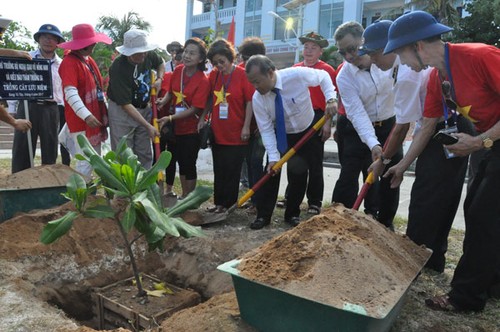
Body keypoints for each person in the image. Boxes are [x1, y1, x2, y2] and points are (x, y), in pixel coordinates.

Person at [383, 10, 500, 312]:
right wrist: (404, 164)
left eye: (400, 53)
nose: (402, 62)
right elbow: (428, 122)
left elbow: (483, 137)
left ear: (418, 46)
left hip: (491, 141)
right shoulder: (438, 77)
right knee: (477, 210)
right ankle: (490, 284)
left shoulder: (478, 56)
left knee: (485, 216)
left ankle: (466, 298)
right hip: (493, 143)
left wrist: (480, 141)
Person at [362, 20, 471, 273]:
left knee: (426, 198)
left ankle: (414, 263)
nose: (373, 60)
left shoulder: (409, 75)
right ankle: (433, 261)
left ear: (392, 49)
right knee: (442, 197)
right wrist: (398, 163)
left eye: (375, 53)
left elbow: (401, 128)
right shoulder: (403, 70)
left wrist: (383, 161)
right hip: (442, 127)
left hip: (444, 130)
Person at [245, 55, 337, 230]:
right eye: (252, 83)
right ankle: (263, 215)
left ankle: (292, 214)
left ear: (270, 72)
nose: (256, 87)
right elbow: (265, 129)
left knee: (299, 174)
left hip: (305, 130)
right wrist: (273, 157)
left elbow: (323, 77)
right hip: (280, 134)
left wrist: (330, 99)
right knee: (271, 173)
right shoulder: (258, 98)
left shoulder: (295, 75)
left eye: (258, 81)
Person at [331, 21, 402, 229]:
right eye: (343, 52)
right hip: (356, 129)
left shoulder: (390, 60)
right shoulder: (344, 75)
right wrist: (373, 144)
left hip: (390, 125)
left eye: (352, 49)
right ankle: (337, 222)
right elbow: (356, 113)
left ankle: (385, 224)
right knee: (348, 175)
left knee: (390, 175)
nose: (349, 57)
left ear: (364, 41)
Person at [287, 31, 336, 215]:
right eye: (306, 47)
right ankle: (292, 198)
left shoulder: (326, 70)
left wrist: (327, 123)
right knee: (294, 160)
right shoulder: (295, 68)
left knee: (315, 162)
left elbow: (331, 99)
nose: (308, 51)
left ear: (320, 52)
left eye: (313, 48)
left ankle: (314, 201)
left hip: (318, 117)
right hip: (297, 118)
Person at [204, 38, 254, 213]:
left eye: (222, 61)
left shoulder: (242, 74)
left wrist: (246, 126)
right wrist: (202, 117)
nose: (219, 66)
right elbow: (210, 98)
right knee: (220, 169)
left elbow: (250, 102)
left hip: (237, 131)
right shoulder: (214, 75)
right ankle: (219, 203)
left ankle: (229, 204)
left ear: (230, 58)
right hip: (218, 131)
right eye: (215, 62)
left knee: (232, 170)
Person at [157, 37, 210, 198]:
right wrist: (163, 101)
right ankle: (184, 195)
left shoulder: (203, 80)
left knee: (188, 163)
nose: (187, 56)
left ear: (200, 58)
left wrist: (171, 118)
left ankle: (189, 197)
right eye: (186, 52)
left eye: (192, 53)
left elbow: (196, 108)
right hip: (176, 128)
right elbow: (171, 93)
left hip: (192, 129)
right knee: (180, 161)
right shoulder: (178, 70)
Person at [57, 24, 112, 179]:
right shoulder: (69, 62)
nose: (92, 46)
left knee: (96, 159)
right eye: (89, 44)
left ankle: (88, 192)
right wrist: (86, 115)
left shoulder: (88, 60)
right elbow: (70, 93)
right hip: (81, 121)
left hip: (93, 118)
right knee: (85, 161)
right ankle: (81, 196)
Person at [9, 24, 65, 173]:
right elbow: (14, 83)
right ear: (38, 39)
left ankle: (47, 184)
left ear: (58, 42)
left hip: (51, 109)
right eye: (45, 37)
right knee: (22, 148)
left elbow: (64, 89)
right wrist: (12, 109)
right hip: (27, 106)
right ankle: (19, 184)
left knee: (50, 148)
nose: (48, 40)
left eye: (53, 38)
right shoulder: (26, 58)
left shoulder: (62, 64)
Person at [107, 29, 164, 169]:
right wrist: (148, 125)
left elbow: (160, 63)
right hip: (122, 111)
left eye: (145, 51)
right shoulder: (118, 68)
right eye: (139, 53)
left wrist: (160, 78)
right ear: (129, 53)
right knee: (124, 153)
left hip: (144, 108)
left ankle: (145, 186)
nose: (144, 54)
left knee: (144, 152)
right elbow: (125, 104)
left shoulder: (148, 55)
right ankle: (126, 188)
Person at [237, 37, 266, 213]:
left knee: (256, 162)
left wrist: (260, 127)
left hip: (262, 128)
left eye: (248, 58)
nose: (244, 62)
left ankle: (258, 201)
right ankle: (251, 196)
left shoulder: (267, 71)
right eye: (243, 58)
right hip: (244, 127)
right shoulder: (240, 71)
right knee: (246, 163)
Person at [157, 49, 183, 197]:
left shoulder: (189, 80)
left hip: (176, 122)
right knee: (158, 155)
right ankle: (157, 186)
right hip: (160, 121)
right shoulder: (165, 77)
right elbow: (158, 96)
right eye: (178, 61)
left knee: (172, 157)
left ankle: (169, 189)